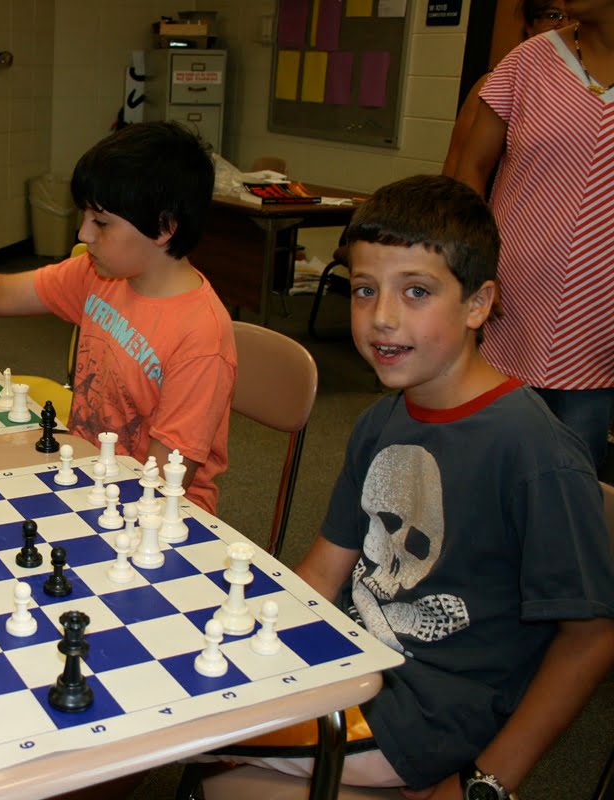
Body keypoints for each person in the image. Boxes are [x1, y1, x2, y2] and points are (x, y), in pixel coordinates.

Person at [209, 176, 614, 796]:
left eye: (416, 291)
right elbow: (323, 572)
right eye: (364, 290)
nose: (382, 318)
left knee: (182, 726)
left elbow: (590, 639)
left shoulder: (534, 452)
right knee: (195, 705)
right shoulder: (381, 421)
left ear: (478, 304)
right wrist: (247, 640)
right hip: (356, 661)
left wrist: (482, 783)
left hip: (429, 714)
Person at [0, 121, 236, 514]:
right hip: (86, 477)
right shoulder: (100, 275)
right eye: (85, 215)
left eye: (101, 222)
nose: (83, 233)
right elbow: (4, 292)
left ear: (164, 227)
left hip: (156, 515)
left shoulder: (200, 337)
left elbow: (161, 484)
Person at [455, 1, 614, 470]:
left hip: (598, 317)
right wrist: (475, 270)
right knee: (482, 458)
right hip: (509, 300)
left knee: (570, 475)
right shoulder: (528, 61)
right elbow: (471, 168)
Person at [441, 0, 571, 179]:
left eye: (573, 17)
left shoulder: (593, 89)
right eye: (552, 16)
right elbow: (457, 160)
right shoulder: (499, 82)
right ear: (529, 27)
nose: (564, 25)